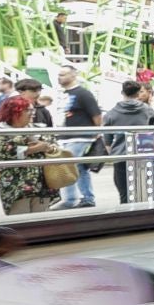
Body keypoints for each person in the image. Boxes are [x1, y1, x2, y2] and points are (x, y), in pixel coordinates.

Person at [0, 95, 60, 215]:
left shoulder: (40, 128)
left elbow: (55, 148)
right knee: (21, 221)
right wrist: (36, 148)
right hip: (15, 186)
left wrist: (47, 147)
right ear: (14, 112)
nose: (33, 113)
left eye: (33, 110)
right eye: (28, 110)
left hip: (43, 184)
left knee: (42, 222)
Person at [50, 64, 100, 210]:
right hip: (67, 136)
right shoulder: (64, 94)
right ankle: (86, 197)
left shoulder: (83, 93)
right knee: (79, 167)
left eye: (63, 74)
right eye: (59, 74)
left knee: (69, 165)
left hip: (80, 136)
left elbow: (96, 114)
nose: (60, 77)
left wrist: (97, 133)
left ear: (73, 75)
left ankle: (72, 198)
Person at [101, 79, 154, 205]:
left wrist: (113, 153)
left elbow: (107, 139)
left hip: (121, 156)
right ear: (138, 94)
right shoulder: (145, 109)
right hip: (142, 155)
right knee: (144, 191)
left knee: (124, 193)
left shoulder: (111, 113)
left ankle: (127, 217)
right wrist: (153, 101)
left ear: (122, 92)